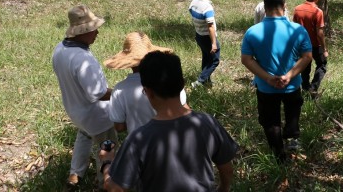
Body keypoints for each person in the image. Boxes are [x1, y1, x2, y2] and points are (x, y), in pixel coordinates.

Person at [98, 51, 238, 192]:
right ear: (182, 84)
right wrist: (223, 188)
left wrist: (107, 161)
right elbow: (226, 168)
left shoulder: (138, 139)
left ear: (148, 92)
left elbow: (114, 188)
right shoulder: (208, 123)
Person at [241, 0, 313, 161]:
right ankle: (291, 136)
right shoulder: (298, 30)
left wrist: (267, 77)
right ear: (285, 6)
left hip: (266, 87)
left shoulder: (252, 32)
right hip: (293, 85)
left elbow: (246, 59)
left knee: (270, 121)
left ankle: (279, 156)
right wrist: (289, 75)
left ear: (264, 8)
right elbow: (307, 57)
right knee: (292, 111)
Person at [52, 4, 117, 189]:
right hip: (98, 118)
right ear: (81, 32)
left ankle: (75, 174)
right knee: (108, 149)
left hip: (76, 112)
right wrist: (121, 94)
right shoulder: (83, 59)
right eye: (93, 29)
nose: (97, 32)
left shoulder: (60, 49)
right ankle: (104, 183)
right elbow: (98, 93)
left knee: (84, 136)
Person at [104, 32, 187, 134]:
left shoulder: (119, 90)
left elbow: (119, 127)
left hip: (140, 142)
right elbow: (183, 107)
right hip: (171, 137)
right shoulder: (169, 79)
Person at [293, 0, 328, 94]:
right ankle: (313, 88)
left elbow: (295, 28)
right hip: (315, 45)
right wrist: (325, 49)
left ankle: (305, 88)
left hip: (302, 45)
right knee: (322, 65)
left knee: (305, 67)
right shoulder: (318, 12)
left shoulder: (297, 9)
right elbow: (320, 33)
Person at [188, 0, 220, 88]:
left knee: (206, 57)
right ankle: (199, 82)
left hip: (199, 35)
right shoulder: (207, 7)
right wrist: (214, 43)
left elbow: (190, 11)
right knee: (215, 61)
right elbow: (210, 26)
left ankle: (207, 80)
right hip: (207, 37)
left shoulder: (194, 2)